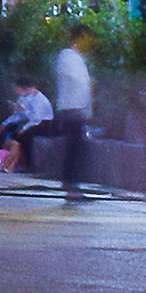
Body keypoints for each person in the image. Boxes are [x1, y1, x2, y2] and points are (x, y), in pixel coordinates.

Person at [50, 22, 98, 202]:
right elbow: (79, 84)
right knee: (76, 150)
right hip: (72, 111)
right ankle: (71, 186)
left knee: (77, 149)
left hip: (76, 111)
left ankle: (71, 184)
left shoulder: (75, 59)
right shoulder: (68, 57)